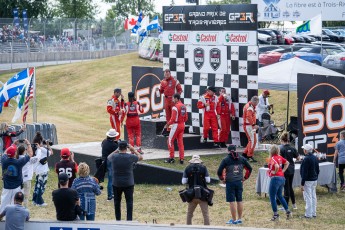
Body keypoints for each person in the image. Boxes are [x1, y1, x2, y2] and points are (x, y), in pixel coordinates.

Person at [108, 141, 143, 221]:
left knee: (117, 202)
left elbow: (108, 157)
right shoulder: (130, 157)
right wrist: (134, 150)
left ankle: (118, 219)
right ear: (126, 148)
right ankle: (129, 220)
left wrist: (116, 150)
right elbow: (140, 157)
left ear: (119, 147)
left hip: (116, 183)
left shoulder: (114, 157)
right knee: (129, 202)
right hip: (129, 183)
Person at [217, 145, 252, 225]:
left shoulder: (226, 160)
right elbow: (249, 169)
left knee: (232, 201)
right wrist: (245, 178)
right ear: (236, 150)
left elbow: (219, 171)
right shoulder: (242, 159)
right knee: (239, 200)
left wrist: (222, 179)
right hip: (239, 182)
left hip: (230, 182)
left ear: (228, 151)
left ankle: (233, 220)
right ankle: (239, 219)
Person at [0, 140, 33, 213]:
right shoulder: (19, 162)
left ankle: (1, 218)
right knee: (15, 206)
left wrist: (13, 144)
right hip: (17, 187)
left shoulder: (3, 160)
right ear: (15, 154)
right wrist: (28, 143)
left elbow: (5, 152)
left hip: (7, 187)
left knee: (3, 204)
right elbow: (30, 154)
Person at [182, 155, 211, 225]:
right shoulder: (203, 168)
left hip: (191, 194)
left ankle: (188, 228)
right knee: (205, 214)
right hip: (202, 195)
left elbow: (183, 181)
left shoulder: (187, 168)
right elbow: (208, 180)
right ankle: (207, 228)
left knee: (189, 214)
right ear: (199, 160)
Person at [267, 144, 292, 221]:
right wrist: (283, 171)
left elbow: (277, 166)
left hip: (275, 178)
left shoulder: (272, 158)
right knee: (279, 196)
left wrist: (275, 172)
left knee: (272, 197)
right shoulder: (280, 157)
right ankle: (288, 211)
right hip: (282, 178)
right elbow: (287, 163)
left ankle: (276, 215)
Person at [165, 93, 188, 164]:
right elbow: (186, 118)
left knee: (170, 141)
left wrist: (168, 124)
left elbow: (172, 119)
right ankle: (181, 159)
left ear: (176, 98)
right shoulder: (184, 106)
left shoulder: (175, 107)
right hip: (182, 125)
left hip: (176, 125)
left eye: (173, 98)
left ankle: (171, 158)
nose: (172, 100)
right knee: (180, 143)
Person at [158, 69, 183, 134]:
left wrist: (176, 98)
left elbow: (180, 90)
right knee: (168, 116)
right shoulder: (163, 81)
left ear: (170, 74)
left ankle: (174, 130)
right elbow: (161, 91)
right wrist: (158, 91)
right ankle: (169, 130)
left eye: (167, 74)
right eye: (165, 74)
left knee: (173, 116)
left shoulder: (175, 80)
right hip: (166, 100)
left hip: (173, 100)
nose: (166, 76)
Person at [32, 132, 54, 206]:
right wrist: (48, 146)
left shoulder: (34, 148)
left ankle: (34, 200)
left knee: (37, 185)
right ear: (40, 141)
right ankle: (39, 202)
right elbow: (51, 153)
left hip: (37, 170)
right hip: (43, 170)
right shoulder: (41, 149)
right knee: (42, 186)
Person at [279, 132, 299, 209]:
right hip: (292, 169)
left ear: (282, 140)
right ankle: (294, 204)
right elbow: (298, 158)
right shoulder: (293, 148)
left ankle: (285, 206)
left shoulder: (281, 149)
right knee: (290, 187)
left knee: (286, 188)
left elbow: (279, 160)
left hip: (285, 170)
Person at [300, 144, 319, 219]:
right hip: (314, 179)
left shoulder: (306, 159)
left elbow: (304, 172)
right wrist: (316, 177)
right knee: (313, 196)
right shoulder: (314, 157)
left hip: (308, 180)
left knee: (308, 197)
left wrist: (302, 183)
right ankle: (313, 213)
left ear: (305, 151)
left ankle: (308, 215)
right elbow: (317, 169)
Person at [18, 144, 38, 208]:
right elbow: (37, 158)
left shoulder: (16, 158)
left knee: (18, 195)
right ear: (24, 151)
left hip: (19, 179)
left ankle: (18, 207)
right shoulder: (28, 159)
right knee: (26, 197)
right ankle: (25, 209)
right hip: (27, 179)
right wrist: (39, 149)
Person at [101, 128, 119, 201]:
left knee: (111, 178)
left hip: (104, 160)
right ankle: (110, 196)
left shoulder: (104, 141)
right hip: (110, 161)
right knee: (111, 179)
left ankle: (112, 194)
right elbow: (118, 150)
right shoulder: (113, 145)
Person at [242, 96, 259, 162]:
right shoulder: (249, 107)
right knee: (253, 141)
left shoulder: (249, 105)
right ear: (254, 102)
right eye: (256, 103)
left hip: (249, 126)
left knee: (251, 140)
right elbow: (248, 117)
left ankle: (245, 154)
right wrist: (253, 125)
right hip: (249, 126)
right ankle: (249, 156)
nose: (257, 105)